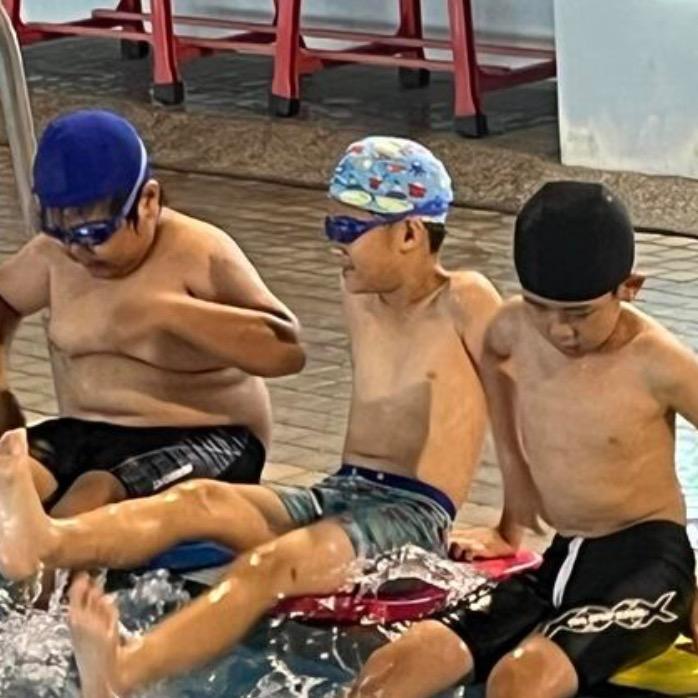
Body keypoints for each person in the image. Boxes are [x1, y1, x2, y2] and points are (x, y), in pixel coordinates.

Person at [0, 136, 501, 698]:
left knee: (267, 567)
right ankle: (47, 540)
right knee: (199, 502)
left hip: (410, 512)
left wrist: (512, 527)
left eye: (347, 229)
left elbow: (517, 406)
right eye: (330, 226)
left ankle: (127, 668)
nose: (334, 245)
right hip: (341, 490)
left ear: (409, 233)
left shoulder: (466, 299)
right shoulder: (361, 292)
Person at [351, 181, 698, 698]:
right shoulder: (511, 329)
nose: (559, 331)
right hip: (558, 564)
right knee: (395, 666)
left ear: (629, 288)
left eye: (579, 314)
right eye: (541, 307)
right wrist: (508, 526)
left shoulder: (660, 363)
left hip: (648, 566)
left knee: (520, 680)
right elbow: (508, 410)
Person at [0, 109, 304, 519]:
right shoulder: (54, 256)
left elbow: (286, 350)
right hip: (88, 434)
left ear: (147, 201)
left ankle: (56, 559)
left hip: (211, 438)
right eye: (62, 231)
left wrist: (169, 312)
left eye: (95, 234)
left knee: (89, 500)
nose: (77, 250)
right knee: (8, 478)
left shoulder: (199, 251)